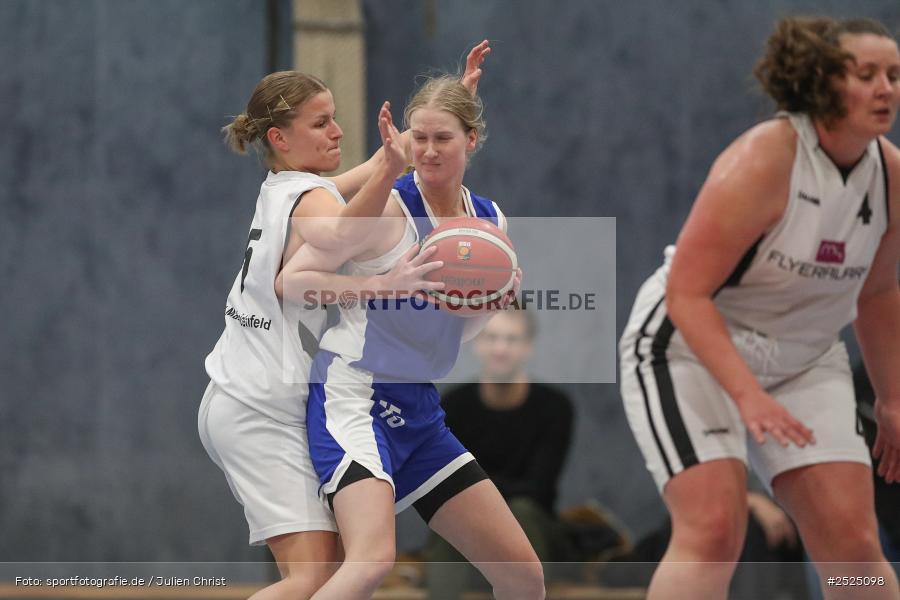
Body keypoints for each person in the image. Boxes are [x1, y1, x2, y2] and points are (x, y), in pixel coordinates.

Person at [619, 16, 900, 600]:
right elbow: (687, 294)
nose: (886, 90)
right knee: (716, 530)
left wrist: (894, 399)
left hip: (801, 358)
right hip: (687, 346)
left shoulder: (891, 176)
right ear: (822, 81)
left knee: (853, 547)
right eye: (867, 74)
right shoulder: (765, 159)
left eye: (894, 76)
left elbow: (876, 293)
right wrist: (747, 393)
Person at [198, 41, 491, 600]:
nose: (336, 131)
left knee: (333, 577)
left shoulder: (294, 188)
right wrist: (383, 283)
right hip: (255, 405)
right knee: (315, 579)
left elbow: (374, 169)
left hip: (254, 399)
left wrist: (450, 106)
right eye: (321, 123)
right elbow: (341, 231)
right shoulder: (311, 200)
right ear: (279, 139)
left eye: (335, 119)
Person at [277, 74, 543, 600]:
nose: (427, 150)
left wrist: (492, 302)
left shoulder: (488, 221)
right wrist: (379, 285)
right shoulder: (386, 207)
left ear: (471, 139)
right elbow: (292, 283)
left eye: (441, 138)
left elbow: (457, 327)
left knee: (524, 576)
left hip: (417, 406)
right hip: (353, 395)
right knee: (372, 563)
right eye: (417, 138)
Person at [424, 306, 575, 599]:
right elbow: (444, 487)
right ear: (477, 343)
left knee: (521, 509)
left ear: (528, 347)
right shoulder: (455, 405)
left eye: (511, 339)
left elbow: (538, 490)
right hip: (470, 528)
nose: (500, 348)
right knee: (453, 520)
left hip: (534, 528)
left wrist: (474, 490)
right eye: (491, 338)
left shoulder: (555, 407)